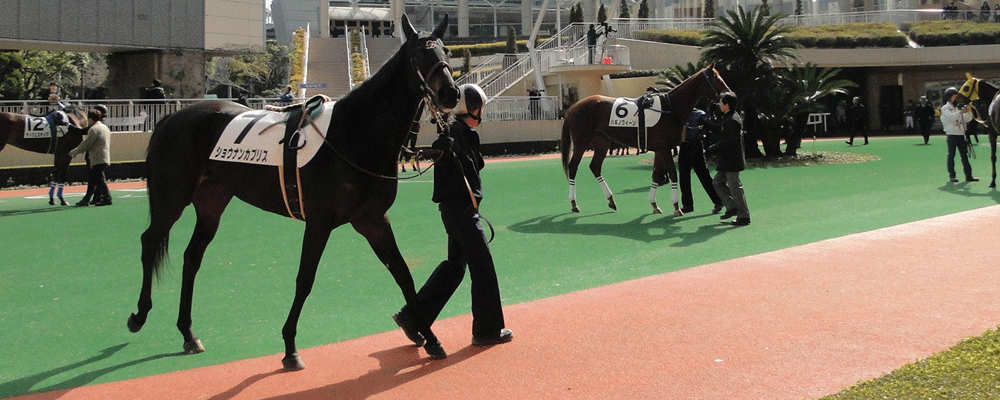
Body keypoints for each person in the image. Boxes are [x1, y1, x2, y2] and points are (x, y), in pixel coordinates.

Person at [391, 83, 512, 347]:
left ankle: (412, 316)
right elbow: (441, 150)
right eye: (478, 108)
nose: (480, 114)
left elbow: (474, 162)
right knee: (483, 266)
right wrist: (443, 145)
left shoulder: (464, 133)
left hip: (459, 211)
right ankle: (487, 331)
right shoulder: (450, 136)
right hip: (461, 213)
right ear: (469, 109)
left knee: (455, 267)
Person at [704, 92, 750, 226]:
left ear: (727, 105)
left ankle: (743, 216)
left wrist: (712, 149)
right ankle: (731, 207)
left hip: (732, 160)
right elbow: (720, 129)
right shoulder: (728, 117)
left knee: (735, 187)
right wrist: (706, 124)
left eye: (721, 102)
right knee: (717, 182)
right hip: (727, 160)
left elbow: (728, 142)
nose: (719, 104)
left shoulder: (732, 120)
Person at [678, 107, 723, 215]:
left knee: (703, 175)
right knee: (684, 176)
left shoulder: (698, 114)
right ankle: (687, 205)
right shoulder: (679, 113)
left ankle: (718, 200)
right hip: (684, 146)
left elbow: (709, 127)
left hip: (695, 146)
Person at [68, 107, 113, 206]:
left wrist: (74, 152)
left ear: (91, 119)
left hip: (96, 158)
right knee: (94, 180)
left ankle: (107, 198)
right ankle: (88, 199)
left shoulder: (93, 129)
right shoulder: (104, 127)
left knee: (100, 180)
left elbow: (87, 144)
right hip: (104, 156)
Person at [940, 87, 978, 183]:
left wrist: (968, 111)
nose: (956, 98)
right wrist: (962, 111)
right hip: (952, 135)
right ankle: (952, 176)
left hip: (961, 135)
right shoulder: (945, 108)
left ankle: (969, 175)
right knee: (951, 155)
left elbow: (966, 119)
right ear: (949, 98)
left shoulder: (957, 108)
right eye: (954, 96)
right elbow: (951, 118)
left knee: (964, 156)